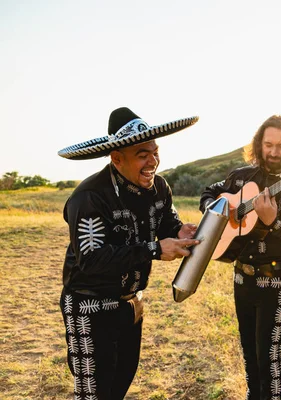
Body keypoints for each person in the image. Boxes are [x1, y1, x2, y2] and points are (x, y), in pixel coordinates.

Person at [57, 107, 200, 399]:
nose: (153, 161)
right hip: (89, 308)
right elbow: (91, 260)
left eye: (155, 151)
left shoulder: (159, 187)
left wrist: (180, 232)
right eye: (142, 154)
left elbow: (167, 224)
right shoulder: (89, 197)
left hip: (131, 305)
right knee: (94, 394)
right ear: (117, 158)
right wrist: (155, 249)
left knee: (120, 386)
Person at [200, 115, 281, 400]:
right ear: (258, 145)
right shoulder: (241, 177)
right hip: (241, 276)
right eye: (268, 144)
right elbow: (209, 193)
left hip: (276, 281)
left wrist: (274, 223)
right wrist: (219, 210)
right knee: (250, 354)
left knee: (268, 358)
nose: (273, 152)